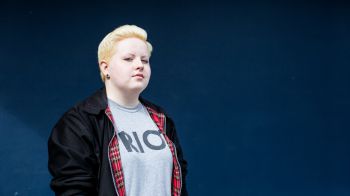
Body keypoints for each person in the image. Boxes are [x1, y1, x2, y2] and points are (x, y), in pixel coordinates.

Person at [48, 24, 188, 196]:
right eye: (129, 59)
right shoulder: (78, 123)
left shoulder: (162, 119)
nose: (140, 65)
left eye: (145, 60)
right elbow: (73, 189)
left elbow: (179, 181)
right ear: (105, 68)